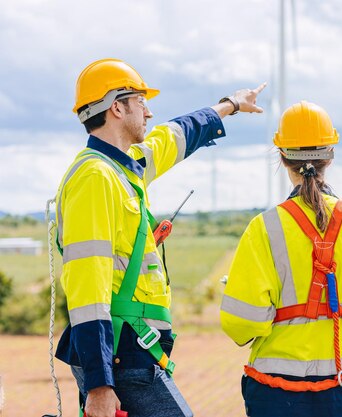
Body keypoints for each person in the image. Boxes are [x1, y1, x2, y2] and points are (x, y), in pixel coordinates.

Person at [54, 58, 265, 417]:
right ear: (117, 107)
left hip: (134, 351)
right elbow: (87, 288)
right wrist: (100, 385)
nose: (149, 113)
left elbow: (177, 134)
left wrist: (229, 105)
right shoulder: (95, 178)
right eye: (141, 101)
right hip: (123, 355)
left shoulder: (126, 165)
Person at [220, 101, 342, 417]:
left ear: (282, 156)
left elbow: (242, 322)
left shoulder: (264, 228)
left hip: (276, 394)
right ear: (330, 155)